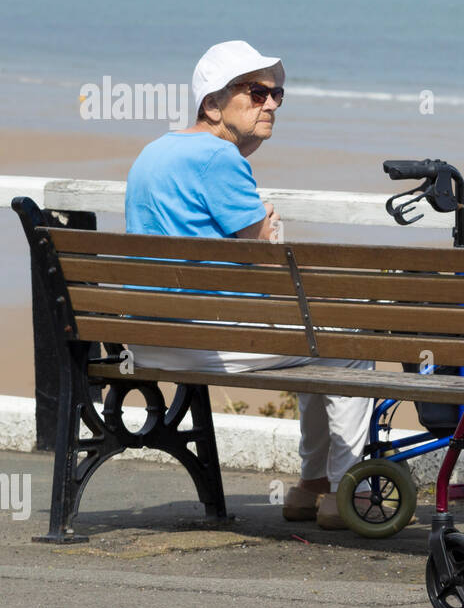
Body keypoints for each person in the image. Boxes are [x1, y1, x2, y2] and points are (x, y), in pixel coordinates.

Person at [124, 40, 374, 530]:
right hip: (208, 343)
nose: (272, 104)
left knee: (314, 346)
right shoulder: (220, 159)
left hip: (148, 341)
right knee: (348, 345)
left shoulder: (153, 153)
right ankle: (344, 489)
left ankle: (312, 489)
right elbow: (269, 265)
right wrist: (269, 228)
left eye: (278, 95)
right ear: (212, 104)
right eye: (256, 93)